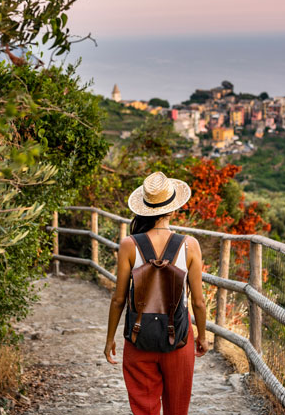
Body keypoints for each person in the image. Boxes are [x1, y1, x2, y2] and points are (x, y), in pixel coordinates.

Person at [104, 171, 209, 415]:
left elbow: (119, 299)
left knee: (144, 408)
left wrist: (110, 338)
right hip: (179, 340)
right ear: (173, 210)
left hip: (139, 338)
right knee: (177, 409)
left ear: (144, 209)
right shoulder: (189, 245)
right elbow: (199, 302)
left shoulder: (129, 244)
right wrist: (202, 336)